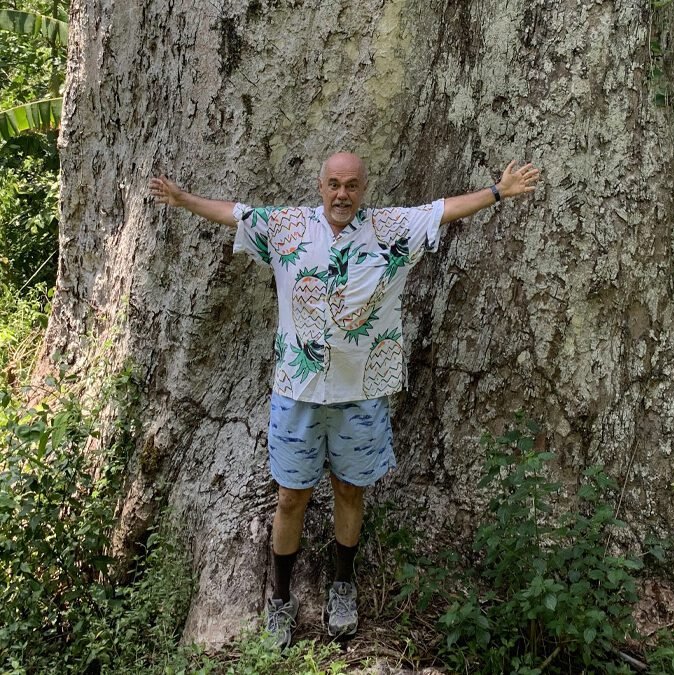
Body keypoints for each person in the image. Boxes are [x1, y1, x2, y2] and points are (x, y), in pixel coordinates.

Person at [149, 153, 539, 650]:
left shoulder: (390, 229)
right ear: (321, 186)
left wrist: (498, 191)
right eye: (334, 184)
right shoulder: (288, 228)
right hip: (298, 391)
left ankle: (342, 587)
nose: (342, 194)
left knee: (350, 491)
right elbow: (236, 213)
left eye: (352, 185)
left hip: (361, 392)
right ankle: (280, 600)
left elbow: (443, 209)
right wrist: (182, 199)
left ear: (363, 188)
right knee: (290, 497)